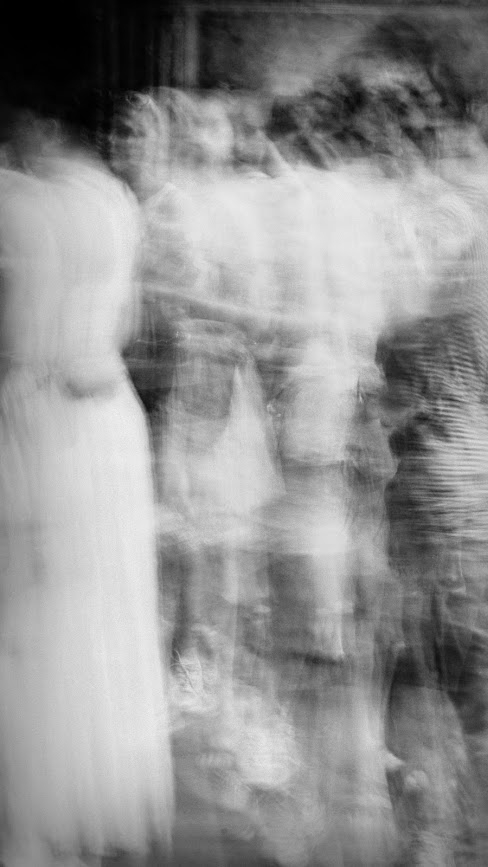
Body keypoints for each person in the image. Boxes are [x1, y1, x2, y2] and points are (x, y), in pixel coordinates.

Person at [0, 107, 174, 867]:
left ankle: (30, 823)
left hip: (34, 419)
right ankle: (88, 808)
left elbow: (13, 337)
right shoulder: (113, 199)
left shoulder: (16, 204)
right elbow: (125, 323)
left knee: (27, 615)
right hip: (108, 421)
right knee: (103, 615)